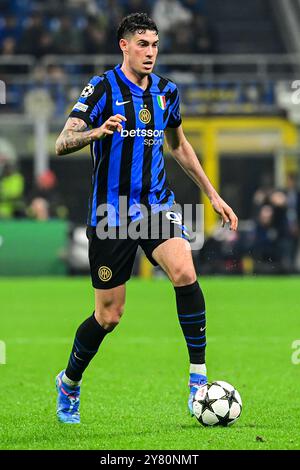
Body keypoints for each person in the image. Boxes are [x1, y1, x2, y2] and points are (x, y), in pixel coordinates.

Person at [55, 12, 238, 424]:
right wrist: (95, 132)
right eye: (142, 44)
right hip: (111, 213)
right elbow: (62, 141)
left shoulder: (167, 92)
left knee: (184, 272)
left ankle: (197, 378)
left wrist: (212, 194)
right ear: (124, 45)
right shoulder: (102, 87)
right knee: (109, 315)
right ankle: (69, 382)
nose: (150, 52)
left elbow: (180, 145)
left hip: (156, 206)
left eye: (155, 44)